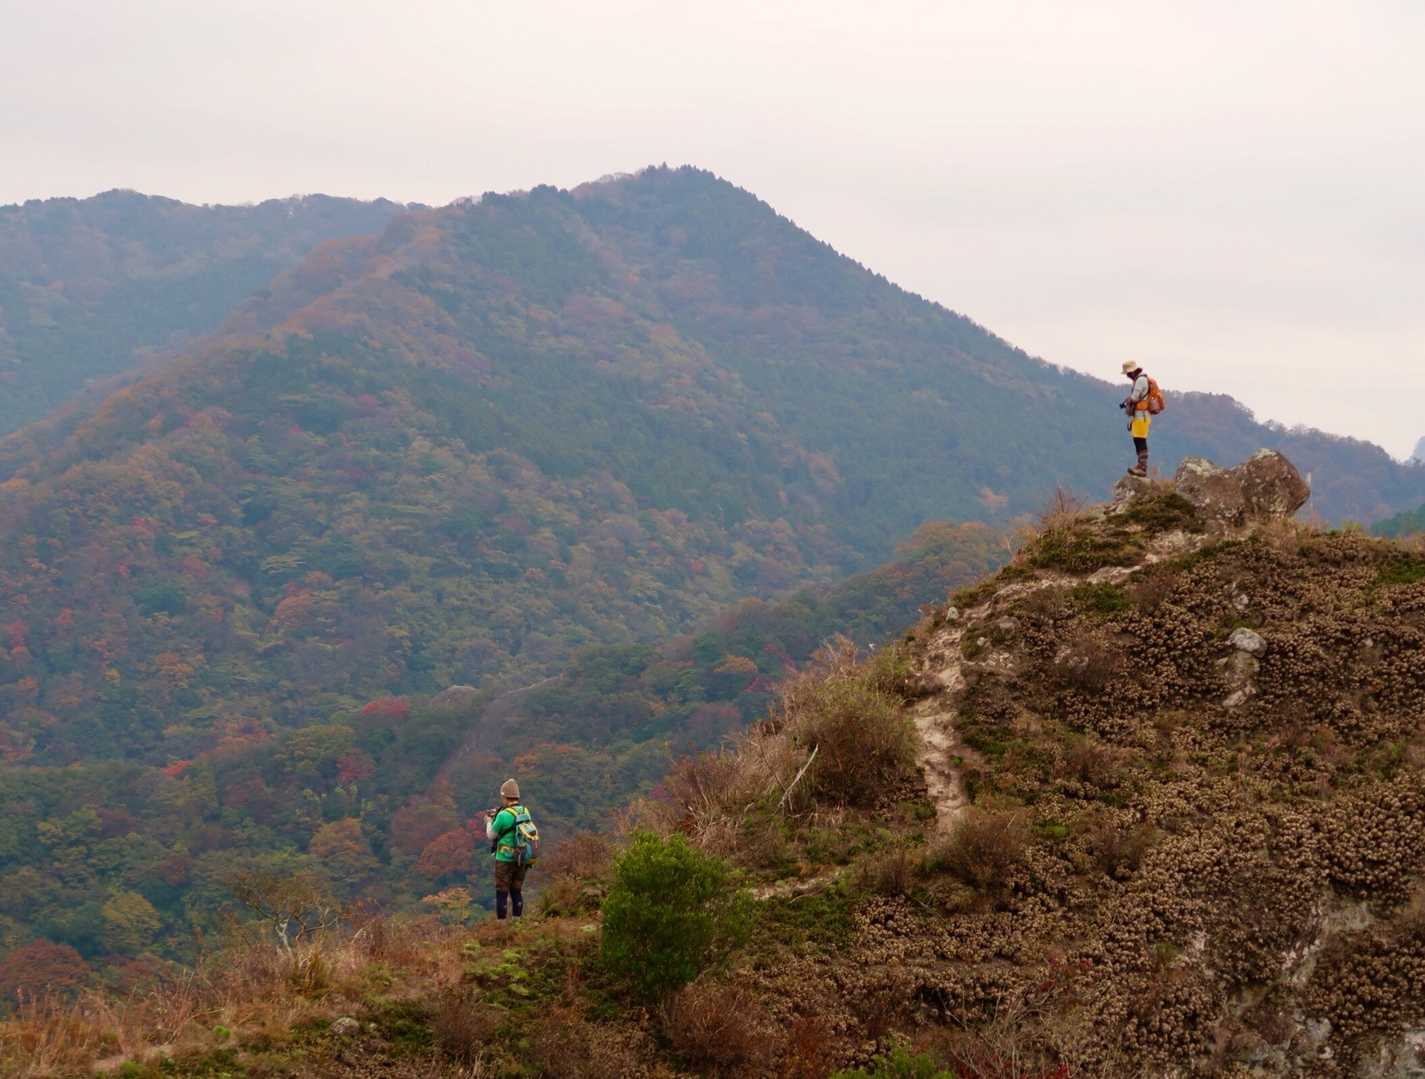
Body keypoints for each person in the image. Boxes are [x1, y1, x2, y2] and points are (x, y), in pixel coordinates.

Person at [484, 778, 536, 919]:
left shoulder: (503, 815)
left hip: (504, 857)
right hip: (521, 856)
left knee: (502, 891)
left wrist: (489, 821)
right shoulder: (525, 811)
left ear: (504, 796)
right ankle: (517, 922)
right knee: (516, 890)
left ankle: (501, 924)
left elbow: (491, 835)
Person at [1120, 361, 1152, 477]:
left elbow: (1134, 397)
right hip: (1140, 416)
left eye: (1128, 373)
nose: (1127, 376)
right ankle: (1140, 465)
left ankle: (1142, 467)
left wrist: (1127, 403)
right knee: (1137, 439)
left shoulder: (1140, 380)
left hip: (1142, 416)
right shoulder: (1140, 379)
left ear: (1132, 371)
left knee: (1140, 440)